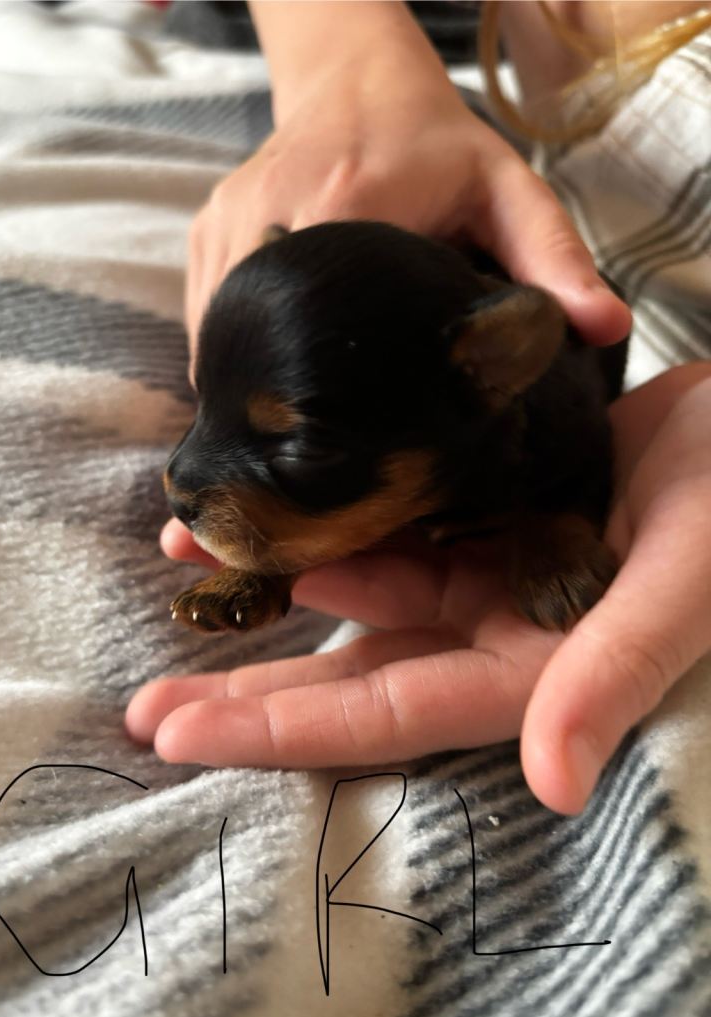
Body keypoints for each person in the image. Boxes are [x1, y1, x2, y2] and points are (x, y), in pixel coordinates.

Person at [126, 0, 711, 816]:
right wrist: (344, 60)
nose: (182, 479)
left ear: (495, 365)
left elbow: (575, 463)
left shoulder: (543, 400)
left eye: (291, 444)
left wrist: (555, 532)